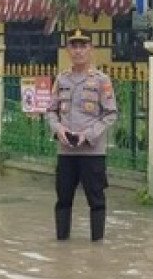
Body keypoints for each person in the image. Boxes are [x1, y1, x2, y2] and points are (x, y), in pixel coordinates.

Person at [47, 29, 118, 241]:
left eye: (83, 46)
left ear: (90, 49)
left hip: (92, 151)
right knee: (63, 200)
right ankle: (62, 244)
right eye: (74, 46)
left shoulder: (101, 80)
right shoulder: (61, 79)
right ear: (68, 50)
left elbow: (111, 113)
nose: (78, 51)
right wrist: (58, 129)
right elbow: (51, 110)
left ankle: (97, 247)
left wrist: (87, 135)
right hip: (66, 152)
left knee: (96, 201)